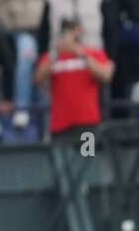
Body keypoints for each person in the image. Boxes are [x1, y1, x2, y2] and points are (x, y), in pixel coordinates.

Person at [35, 16, 115, 144]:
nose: (69, 34)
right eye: (66, 30)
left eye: (72, 29)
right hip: (60, 124)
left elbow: (105, 76)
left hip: (87, 122)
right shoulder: (52, 56)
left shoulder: (93, 54)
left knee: (88, 160)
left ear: (80, 30)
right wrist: (55, 53)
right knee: (62, 163)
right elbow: (38, 78)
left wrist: (81, 54)